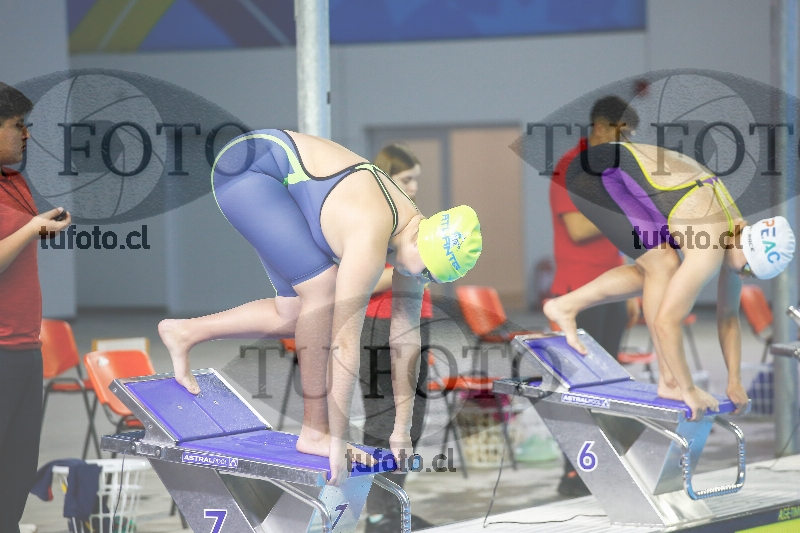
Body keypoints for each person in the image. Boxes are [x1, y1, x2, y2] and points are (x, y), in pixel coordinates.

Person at [158, 129, 482, 485]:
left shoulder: (416, 235)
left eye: (432, 278)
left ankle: (185, 332)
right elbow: (344, 342)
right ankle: (314, 433)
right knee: (323, 294)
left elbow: (406, 340)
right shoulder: (371, 232)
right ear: (421, 242)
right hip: (251, 167)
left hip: (274, 181)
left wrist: (400, 431)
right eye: (427, 272)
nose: (422, 280)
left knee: (295, 316)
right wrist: (336, 441)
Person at [544, 140, 795, 421]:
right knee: (663, 264)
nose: (744, 276)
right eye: (748, 269)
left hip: (621, 173)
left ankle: (564, 306)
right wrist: (687, 388)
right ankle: (669, 382)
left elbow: (728, 317)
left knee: (655, 267)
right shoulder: (711, 245)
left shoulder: (736, 236)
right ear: (746, 246)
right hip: (594, 174)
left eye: (752, 275)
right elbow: (666, 323)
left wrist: (734, 380)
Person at [548, 96, 640, 497]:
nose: (626, 144)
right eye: (622, 135)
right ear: (600, 129)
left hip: (611, 289)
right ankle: (573, 473)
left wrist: (631, 287)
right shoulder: (570, 168)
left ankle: (602, 463)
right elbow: (578, 228)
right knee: (581, 385)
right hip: (578, 292)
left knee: (610, 382)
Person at [0, 83, 72, 532]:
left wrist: (38, 227)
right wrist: (30, 230)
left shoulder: (13, 181)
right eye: (16, 125)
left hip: (25, 346)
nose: (26, 135)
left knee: (17, 471)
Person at [360, 144, 433, 532]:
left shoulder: (407, 221)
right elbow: (358, 279)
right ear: (387, 178)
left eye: (417, 179)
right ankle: (377, 515)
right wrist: (412, 265)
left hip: (413, 321)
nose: (415, 187)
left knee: (411, 422)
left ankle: (393, 508)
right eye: (407, 179)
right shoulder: (372, 220)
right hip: (380, 326)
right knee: (383, 424)